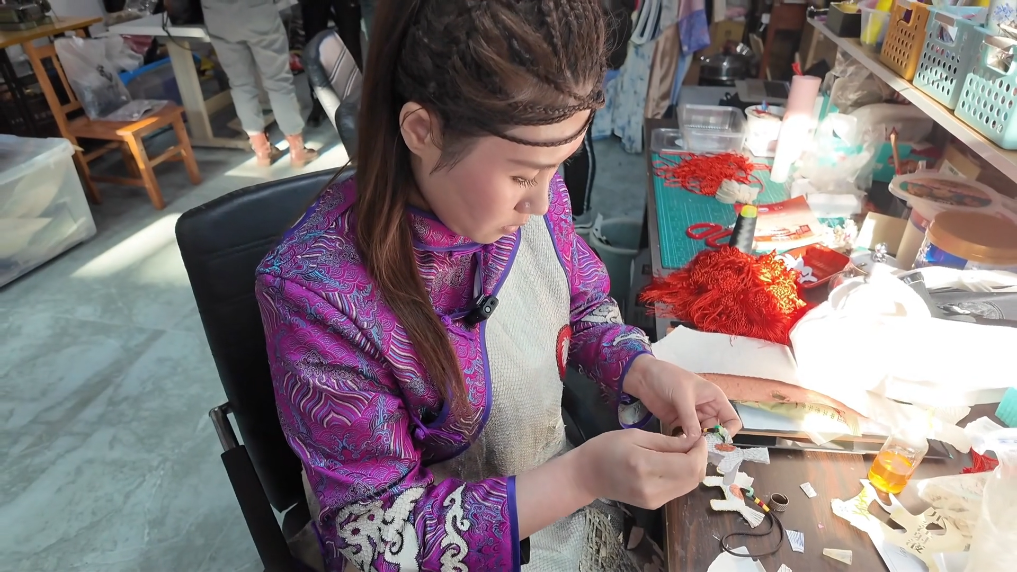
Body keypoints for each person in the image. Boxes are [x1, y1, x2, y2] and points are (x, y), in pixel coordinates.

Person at [255, 1, 741, 570]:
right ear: (422, 130)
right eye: (521, 175)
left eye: (558, 166)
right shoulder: (316, 293)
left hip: (559, 499)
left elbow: (582, 304)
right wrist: (580, 477)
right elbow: (372, 536)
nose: (542, 201)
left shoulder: (536, 195)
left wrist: (639, 367)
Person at [203, 0, 319, 168]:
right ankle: (297, 150)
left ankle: (262, 151)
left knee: (240, 84)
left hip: (217, 15)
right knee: (278, 82)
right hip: (256, 11)